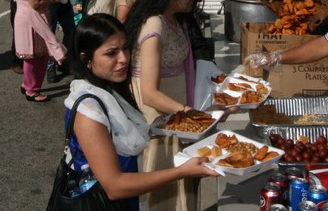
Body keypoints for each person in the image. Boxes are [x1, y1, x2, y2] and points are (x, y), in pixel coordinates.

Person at [64, 14, 218, 210]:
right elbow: (115, 186)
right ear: (86, 59)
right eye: (111, 53)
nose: (124, 59)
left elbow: (128, 135)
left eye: (125, 48)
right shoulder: (88, 113)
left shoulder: (109, 90)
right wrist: (182, 172)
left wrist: (207, 116)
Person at [124, 0, 203, 210]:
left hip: (172, 115)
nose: (195, 0)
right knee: (161, 187)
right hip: (158, 119)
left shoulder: (174, 19)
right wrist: (189, 113)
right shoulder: (155, 25)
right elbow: (149, 93)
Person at [12, 0, 67, 103]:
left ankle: (27, 84)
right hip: (32, 21)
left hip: (24, 18)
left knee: (32, 55)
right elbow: (35, 3)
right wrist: (53, 0)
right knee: (36, 56)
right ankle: (32, 90)